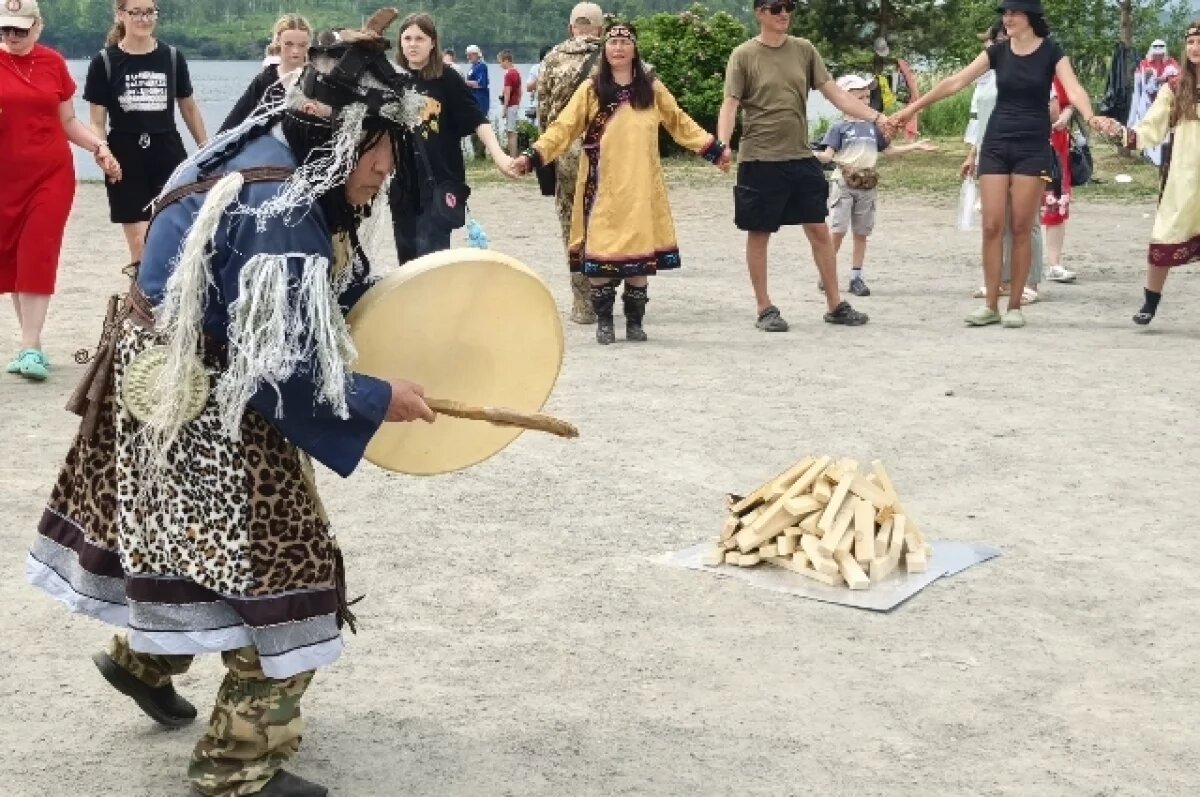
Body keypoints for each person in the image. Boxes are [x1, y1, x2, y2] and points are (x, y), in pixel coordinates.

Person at [26, 18, 436, 797]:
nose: (389, 165)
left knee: (190, 542)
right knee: (288, 571)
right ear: (344, 141)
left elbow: (317, 291)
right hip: (202, 396)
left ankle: (144, 660)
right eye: (381, 146)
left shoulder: (274, 145)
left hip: (167, 383)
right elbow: (281, 367)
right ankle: (236, 765)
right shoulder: (278, 213)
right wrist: (379, 397)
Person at [514, 21, 731, 345]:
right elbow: (563, 128)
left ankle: (634, 322)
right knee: (600, 253)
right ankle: (604, 321)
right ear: (605, 49)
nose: (618, 47)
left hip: (641, 186)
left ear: (634, 48)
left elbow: (679, 123)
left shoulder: (652, 89)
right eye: (612, 42)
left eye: (624, 42)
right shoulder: (591, 89)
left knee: (637, 256)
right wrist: (532, 156)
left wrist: (714, 149)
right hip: (601, 185)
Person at [890, 0, 1098, 328]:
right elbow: (954, 83)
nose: (1007, 18)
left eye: (1013, 12)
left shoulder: (1052, 53)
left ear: (1031, 17)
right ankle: (991, 304)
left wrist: (1090, 117)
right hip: (996, 143)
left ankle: (1015, 305)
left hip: (1032, 146)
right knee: (991, 225)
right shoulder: (998, 53)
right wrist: (910, 110)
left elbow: (1074, 90)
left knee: (1020, 227)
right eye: (1005, 13)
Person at [717, 0, 886, 330]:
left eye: (789, 6)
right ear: (760, 12)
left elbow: (835, 93)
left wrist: (878, 117)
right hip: (760, 158)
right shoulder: (744, 55)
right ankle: (765, 309)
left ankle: (835, 304)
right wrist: (722, 145)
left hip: (799, 156)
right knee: (759, 233)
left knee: (819, 230)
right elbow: (730, 104)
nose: (784, 14)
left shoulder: (804, 50)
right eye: (776, 7)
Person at [1, 0, 122, 381]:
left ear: (38, 26)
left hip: (50, 175)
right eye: (5, 29)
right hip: (5, 177)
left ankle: (30, 346)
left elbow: (68, 120)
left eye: (20, 29)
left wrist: (99, 147)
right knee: (16, 256)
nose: (12, 36)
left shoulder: (53, 63)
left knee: (38, 249)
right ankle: (28, 341)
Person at [85, 0, 208, 264]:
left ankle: (171, 301)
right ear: (121, 15)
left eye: (149, 12)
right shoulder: (104, 62)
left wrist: (206, 148)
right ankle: (141, 302)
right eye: (135, 13)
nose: (143, 19)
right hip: (124, 156)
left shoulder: (172, 58)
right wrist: (102, 149)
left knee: (172, 236)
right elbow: (96, 120)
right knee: (139, 243)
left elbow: (188, 108)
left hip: (167, 151)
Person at [389, 12, 517, 264]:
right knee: (406, 264)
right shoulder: (392, 79)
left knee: (432, 261)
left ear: (432, 43)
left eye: (420, 38)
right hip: (402, 184)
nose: (412, 44)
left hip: (439, 181)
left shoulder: (447, 78)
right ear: (400, 42)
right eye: (407, 38)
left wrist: (500, 156)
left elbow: (477, 119)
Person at [1094, 21, 1200, 325]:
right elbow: (1147, 131)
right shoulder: (1174, 88)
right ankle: (1150, 302)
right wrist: (1119, 131)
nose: (1195, 48)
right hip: (1183, 178)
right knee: (1165, 234)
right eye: (1190, 41)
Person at [815, 73, 936, 297]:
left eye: (867, 98)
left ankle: (856, 277)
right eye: (858, 98)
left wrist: (916, 146)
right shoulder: (838, 128)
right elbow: (828, 155)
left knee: (861, 232)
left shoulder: (873, 128)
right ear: (843, 99)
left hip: (867, 184)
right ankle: (827, 274)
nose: (865, 103)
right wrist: (810, 155)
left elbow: (889, 151)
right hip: (844, 183)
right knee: (838, 230)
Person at [961, 18, 1044, 305]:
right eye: (993, 41)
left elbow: (1053, 107)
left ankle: (1030, 282)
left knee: (1025, 222)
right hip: (991, 150)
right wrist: (973, 154)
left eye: (998, 41)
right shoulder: (984, 79)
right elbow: (979, 122)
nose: (993, 46)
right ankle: (999, 283)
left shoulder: (1032, 68)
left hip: (1026, 149)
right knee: (995, 221)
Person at [537, 2, 606, 324]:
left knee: (572, 227)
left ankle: (583, 304)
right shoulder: (616, 56)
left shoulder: (552, 58)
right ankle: (606, 293)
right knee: (608, 225)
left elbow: (543, 111)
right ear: (601, 29)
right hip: (608, 153)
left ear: (571, 28)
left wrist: (544, 153)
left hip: (565, 153)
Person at [219, 14, 312, 133]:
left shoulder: (317, 80)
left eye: (302, 45)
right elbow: (236, 118)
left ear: (308, 43)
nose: (295, 51)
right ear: (278, 41)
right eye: (288, 44)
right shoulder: (265, 81)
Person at [1042, 75, 1077, 283]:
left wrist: (1065, 116)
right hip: (1025, 141)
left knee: (1055, 201)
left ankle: (1054, 264)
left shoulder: (1056, 71)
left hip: (1055, 146)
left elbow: (1070, 102)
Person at [1126, 38, 1181, 166]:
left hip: (1166, 103)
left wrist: (1164, 79)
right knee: (1148, 127)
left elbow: (1178, 81)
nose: (1158, 55)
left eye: (1161, 52)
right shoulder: (1144, 64)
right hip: (1147, 102)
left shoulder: (1171, 63)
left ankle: (1164, 157)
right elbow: (1138, 88)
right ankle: (1149, 156)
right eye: (1156, 52)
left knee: (1165, 131)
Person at [498, 49, 522, 157]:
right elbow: (520, 91)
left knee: (511, 132)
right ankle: (513, 154)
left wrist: (504, 108)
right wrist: (518, 103)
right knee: (511, 130)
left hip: (510, 105)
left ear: (506, 61)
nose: (500, 65)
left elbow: (507, 93)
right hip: (515, 104)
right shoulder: (517, 73)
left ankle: (512, 156)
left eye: (501, 62)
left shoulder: (508, 75)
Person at [526, 45, 552, 120]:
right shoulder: (536, 68)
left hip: (554, 103)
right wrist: (542, 79)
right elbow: (529, 87)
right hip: (540, 103)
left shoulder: (558, 68)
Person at [464, 43, 489, 115]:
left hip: (480, 98)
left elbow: (480, 84)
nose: (468, 57)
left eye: (469, 55)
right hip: (472, 98)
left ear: (476, 54)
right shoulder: (473, 66)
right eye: (467, 55)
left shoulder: (481, 66)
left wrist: (463, 82)